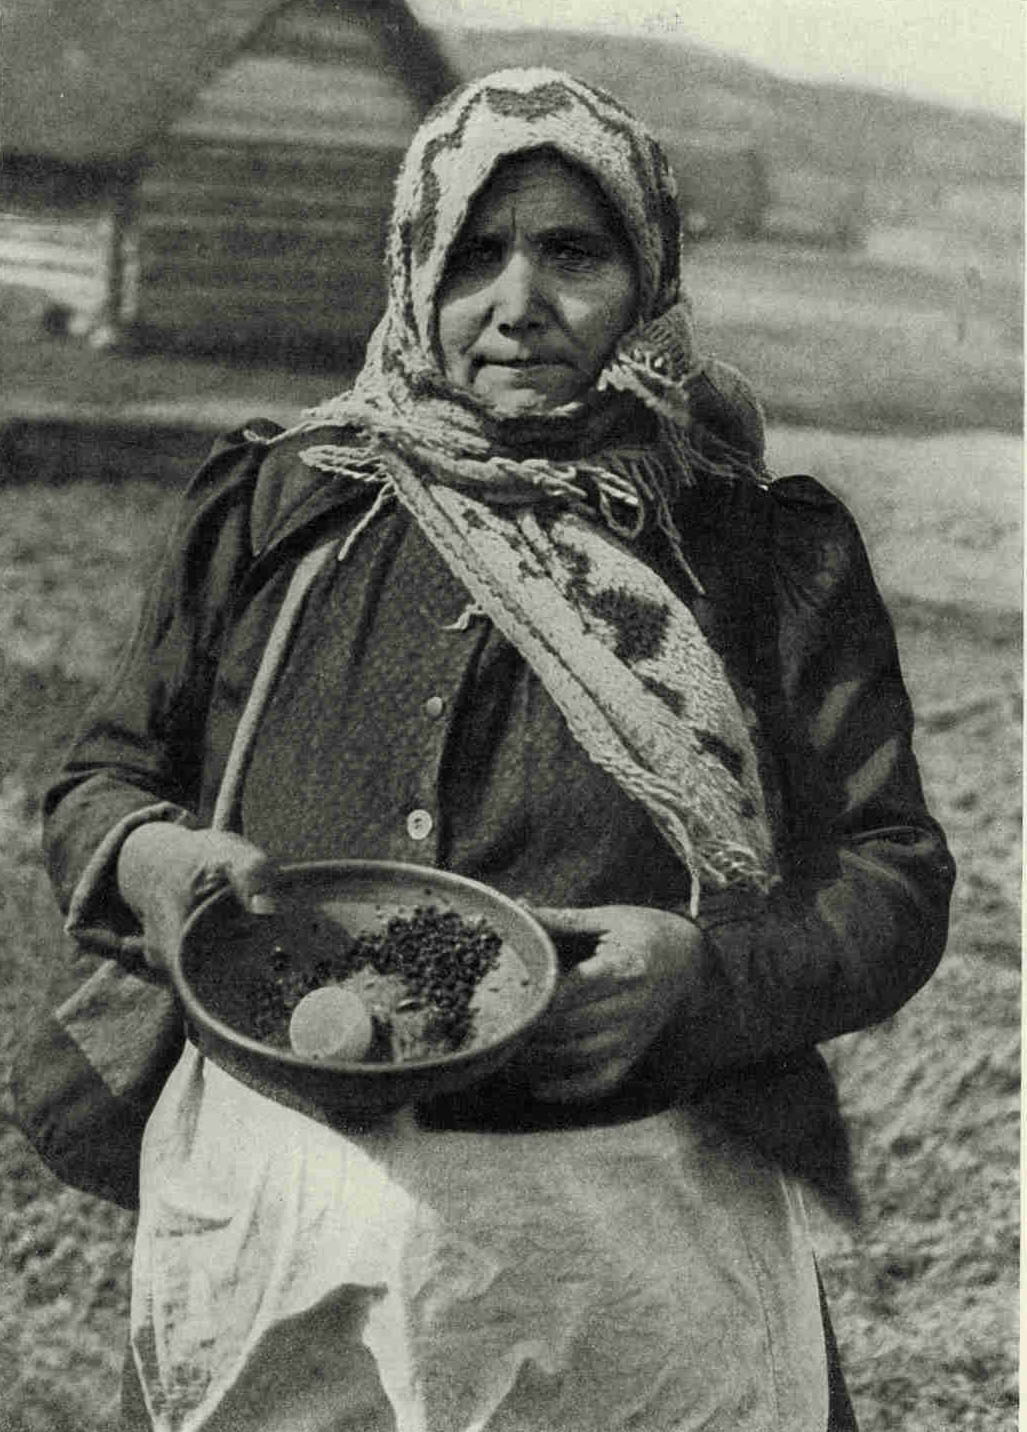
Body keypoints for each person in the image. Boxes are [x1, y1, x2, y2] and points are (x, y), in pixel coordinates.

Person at [43, 68, 954, 1432]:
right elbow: (98, 781)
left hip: (622, 1239)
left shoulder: (756, 553)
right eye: (474, 254)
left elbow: (891, 877)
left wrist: (710, 976)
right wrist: (155, 859)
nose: (518, 302)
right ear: (414, 267)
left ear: (647, 275)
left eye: (572, 253)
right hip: (284, 1222)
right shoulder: (286, 503)